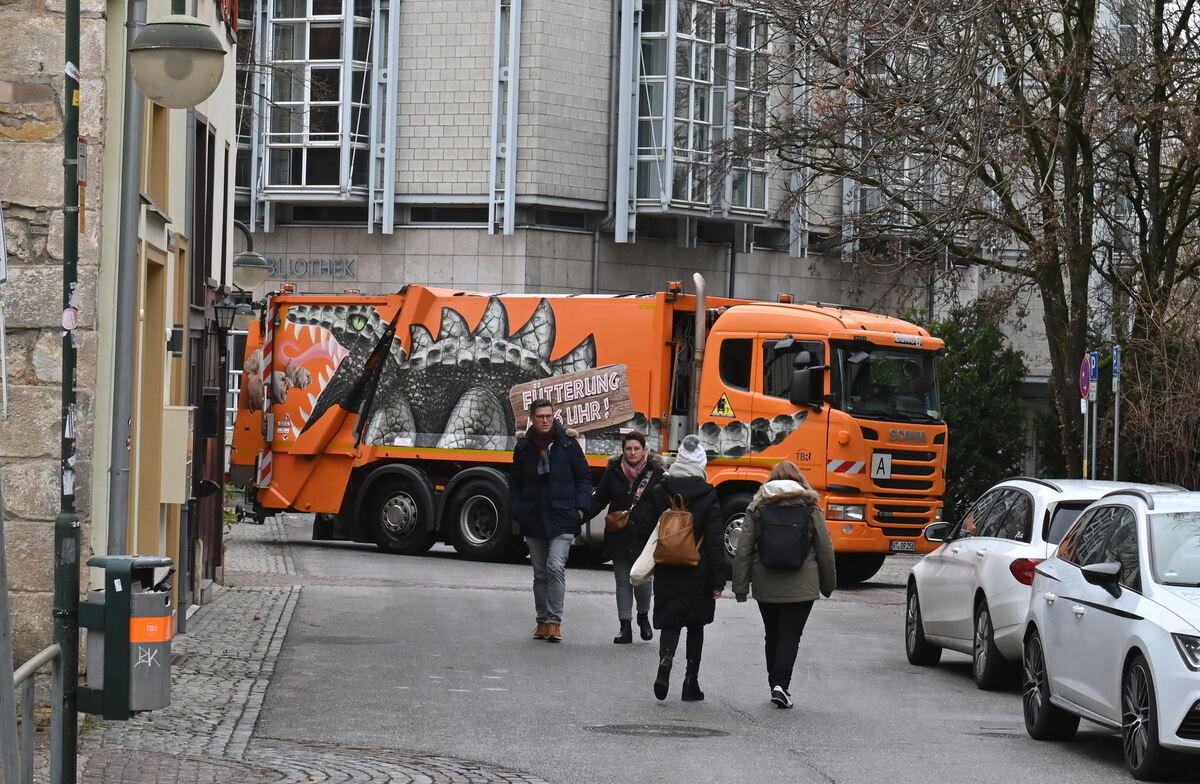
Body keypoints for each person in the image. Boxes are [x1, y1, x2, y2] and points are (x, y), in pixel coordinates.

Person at [732, 460, 836, 709]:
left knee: (772, 634)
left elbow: (744, 548)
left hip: (766, 583)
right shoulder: (810, 508)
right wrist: (827, 584)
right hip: (802, 585)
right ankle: (781, 685)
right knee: (790, 635)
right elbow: (825, 549)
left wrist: (740, 587)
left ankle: (775, 684)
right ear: (800, 481)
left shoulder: (757, 508)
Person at [640, 434, 724, 701]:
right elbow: (714, 540)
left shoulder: (660, 490)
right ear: (700, 463)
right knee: (696, 624)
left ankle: (665, 661)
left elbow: (648, 527)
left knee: (671, 620)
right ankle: (690, 682)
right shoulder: (708, 494)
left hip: (668, 565)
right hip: (699, 567)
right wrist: (718, 580)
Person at [508, 399, 592, 643]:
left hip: (563, 516)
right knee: (540, 573)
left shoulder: (568, 445)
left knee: (555, 566)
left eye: (549, 416)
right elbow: (515, 483)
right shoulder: (523, 448)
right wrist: (518, 510)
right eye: (540, 416)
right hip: (533, 517)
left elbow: (584, 478)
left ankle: (554, 621)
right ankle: (542, 621)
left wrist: (580, 509)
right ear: (531, 419)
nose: (545, 420)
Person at [588, 432, 664, 644]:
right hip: (618, 535)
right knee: (622, 581)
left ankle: (643, 616)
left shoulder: (656, 473)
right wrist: (579, 515)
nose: (632, 452)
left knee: (642, 579)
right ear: (622, 450)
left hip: (645, 536)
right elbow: (599, 499)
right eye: (628, 449)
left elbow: (664, 504)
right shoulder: (613, 472)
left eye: (636, 448)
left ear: (644, 450)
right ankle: (625, 626)